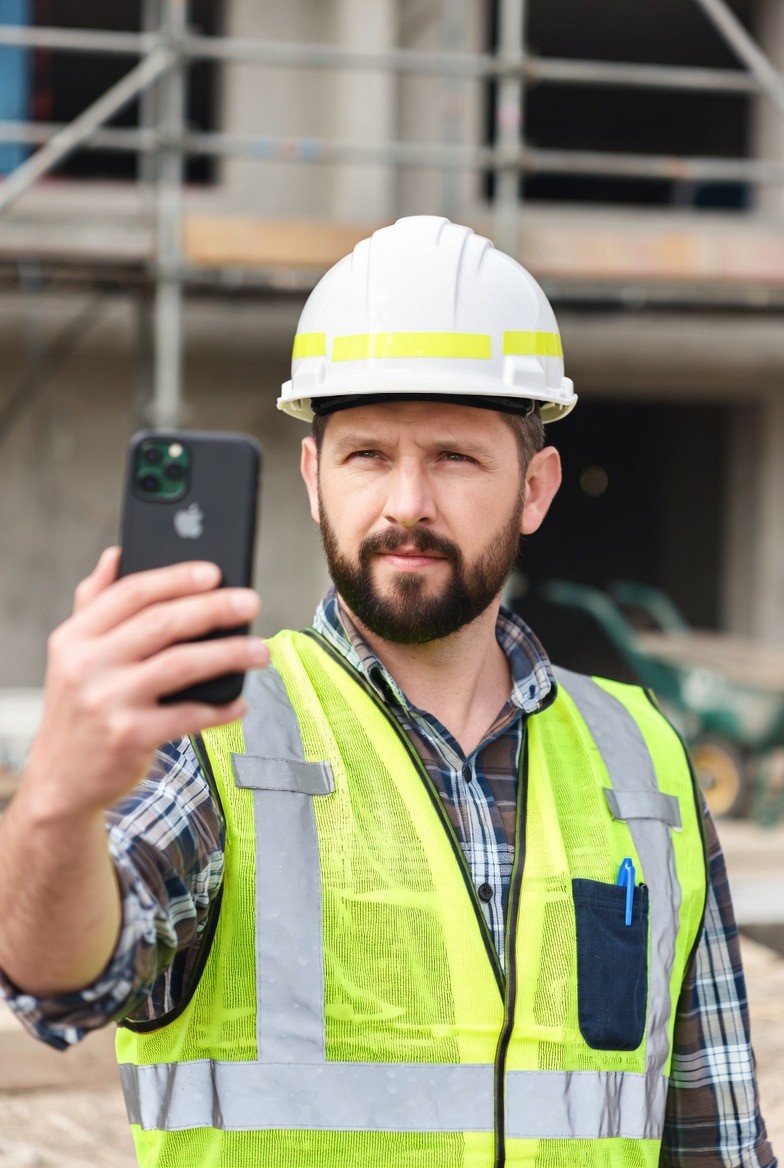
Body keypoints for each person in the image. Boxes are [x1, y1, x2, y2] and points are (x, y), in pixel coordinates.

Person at [0, 215, 775, 1168]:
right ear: (315, 479)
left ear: (534, 489)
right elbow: (58, 981)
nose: (408, 501)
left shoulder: (643, 755)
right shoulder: (218, 732)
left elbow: (715, 1138)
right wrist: (55, 806)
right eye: (368, 454)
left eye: (454, 457)